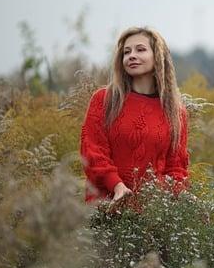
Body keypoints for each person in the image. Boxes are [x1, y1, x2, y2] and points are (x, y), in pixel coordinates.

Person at [80, 26, 189, 207]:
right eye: (126, 52)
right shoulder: (103, 100)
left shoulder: (176, 112)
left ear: (158, 56)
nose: (131, 55)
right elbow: (93, 153)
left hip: (153, 215)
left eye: (141, 49)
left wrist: (183, 200)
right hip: (106, 208)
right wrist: (117, 186)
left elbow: (176, 167)